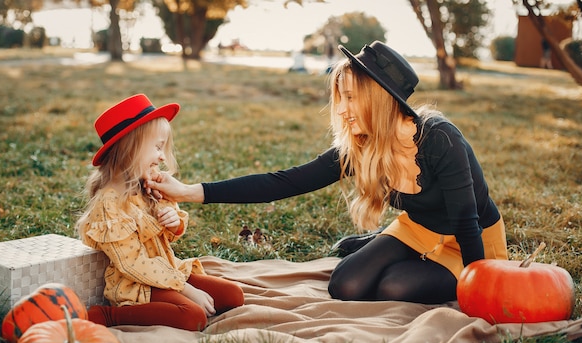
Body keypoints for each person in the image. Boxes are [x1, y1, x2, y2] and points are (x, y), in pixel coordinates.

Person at [145, 41, 508, 305]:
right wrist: (189, 191)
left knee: (393, 289)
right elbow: (287, 181)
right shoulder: (362, 144)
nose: (344, 109)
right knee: (346, 286)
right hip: (417, 230)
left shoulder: (440, 139)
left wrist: (480, 289)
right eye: (341, 98)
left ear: (380, 98)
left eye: (352, 97)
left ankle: (389, 251)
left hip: (469, 239)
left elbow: (467, 220)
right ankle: (384, 244)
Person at [76, 94, 244, 331]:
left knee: (233, 295)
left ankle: (177, 299)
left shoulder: (147, 185)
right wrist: (186, 289)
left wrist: (173, 221)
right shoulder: (109, 204)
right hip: (139, 284)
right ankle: (109, 316)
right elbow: (132, 263)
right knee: (192, 317)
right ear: (129, 148)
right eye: (157, 147)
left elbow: (171, 235)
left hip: (168, 271)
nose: (162, 156)